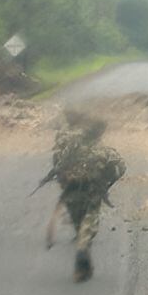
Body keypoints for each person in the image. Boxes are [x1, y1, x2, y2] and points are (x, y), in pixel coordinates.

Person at [41, 113, 126, 282]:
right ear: (99, 134)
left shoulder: (70, 149)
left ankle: (82, 251)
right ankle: (82, 249)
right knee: (90, 222)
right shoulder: (105, 151)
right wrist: (108, 181)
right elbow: (121, 168)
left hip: (70, 192)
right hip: (92, 192)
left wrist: (60, 180)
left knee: (79, 221)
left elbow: (57, 164)